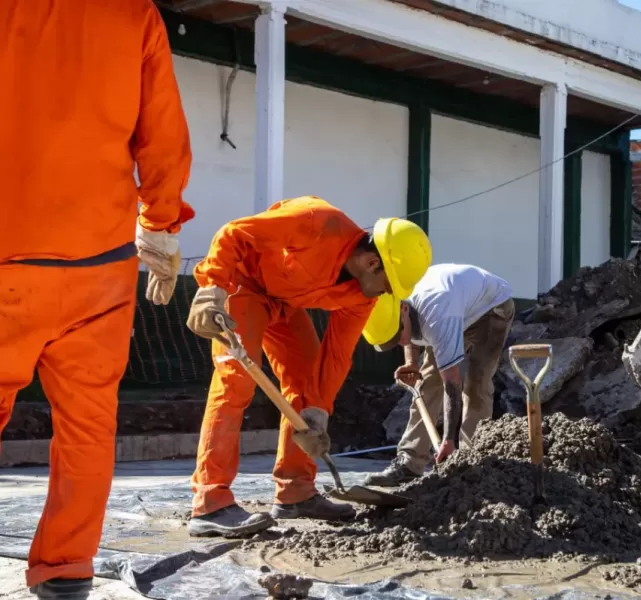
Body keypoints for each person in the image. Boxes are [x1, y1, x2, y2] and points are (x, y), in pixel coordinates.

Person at [0, 1, 193, 597]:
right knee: (87, 429)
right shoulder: (134, 13)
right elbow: (162, 135)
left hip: (8, 249)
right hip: (100, 265)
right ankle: (65, 572)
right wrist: (161, 226)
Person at [185, 196, 431, 535]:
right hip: (244, 288)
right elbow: (235, 233)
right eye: (389, 285)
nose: (386, 294)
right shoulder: (317, 222)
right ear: (373, 263)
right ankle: (210, 503)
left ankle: (295, 492)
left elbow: (336, 355)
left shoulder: (361, 295)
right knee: (235, 382)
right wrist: (211, 287)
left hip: (285, 305)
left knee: (304, 385)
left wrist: (318, 410)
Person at [362, 264, 514, 486]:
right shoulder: (392, 302)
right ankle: (410, 462)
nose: (401, 342)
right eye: (393, 342)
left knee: (476, 385)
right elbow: (408, 333)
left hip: (490, 308)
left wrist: (448, 440)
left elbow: (452, 384)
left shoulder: (437, 316)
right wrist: (411, 363)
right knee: (426, 382)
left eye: (398, 336)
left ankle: (468, 462)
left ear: (403, 310)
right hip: (453, 304)